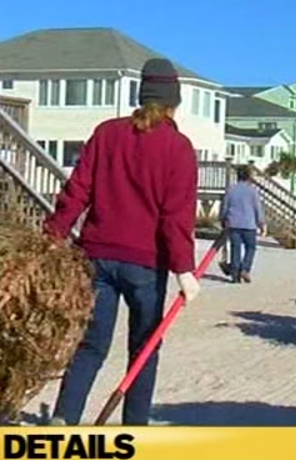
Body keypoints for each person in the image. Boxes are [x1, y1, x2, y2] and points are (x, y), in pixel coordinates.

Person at [43, 58, 200, 426]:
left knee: (91, 345)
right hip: (147, 264)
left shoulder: (106, 133)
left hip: (96, 256)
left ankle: (65, 418)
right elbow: (176, 216)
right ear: (173, 101)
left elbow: (77, 190)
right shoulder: (177, 147)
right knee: (144, 350)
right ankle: (135, 430)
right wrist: (184, 271)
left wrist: (54, 233)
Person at [221, 164, 265, 284]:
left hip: (234, 223)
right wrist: (261, 223)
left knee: (236, 249)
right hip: (249, 224)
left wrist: (223, 219)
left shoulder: (231, 190)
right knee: (250, 248)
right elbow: (257, 209)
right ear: (248, 177)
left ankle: (235, 275)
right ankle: (245, 269)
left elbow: (225, 207)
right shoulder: (252, 191)